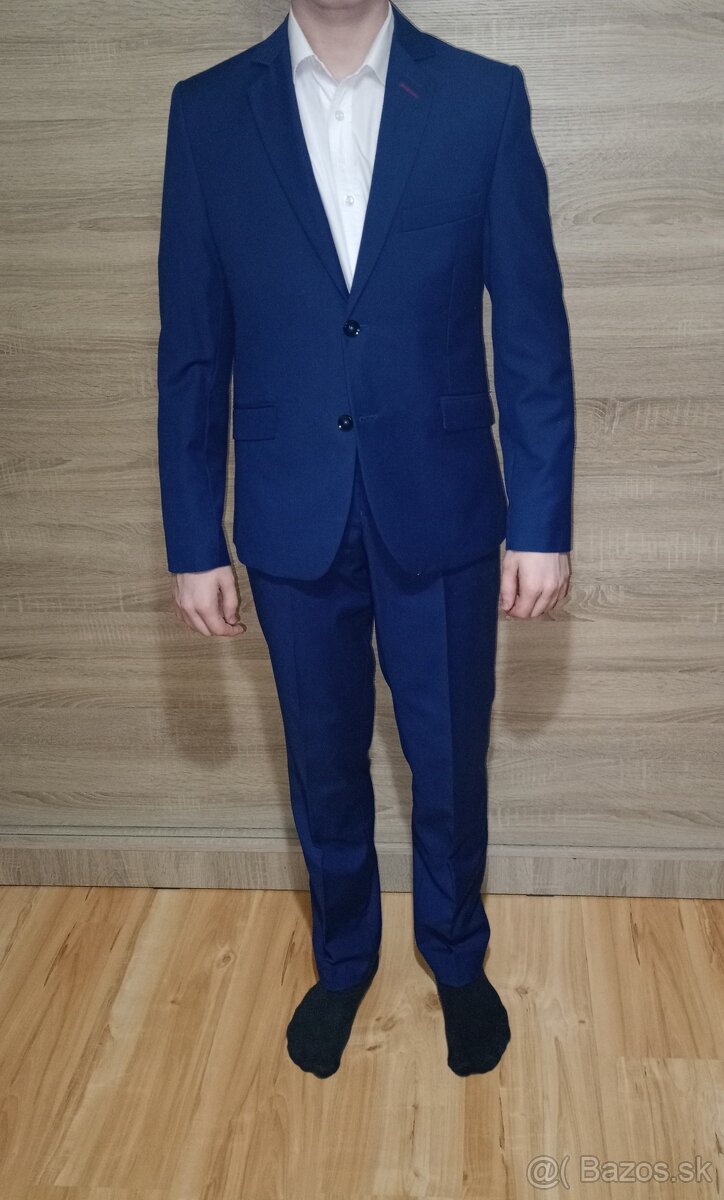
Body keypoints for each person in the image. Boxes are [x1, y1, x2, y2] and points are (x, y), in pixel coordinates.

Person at [156, 0, 574, 1079]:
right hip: (291, 510)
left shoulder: (483, 101)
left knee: (450, 758)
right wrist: (192, 535)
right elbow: (192, 349)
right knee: (322, 762)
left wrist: (541, 518)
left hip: (443, 503)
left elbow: (532, 329)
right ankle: (343, 959)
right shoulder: (207, 115)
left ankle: (456, 954)